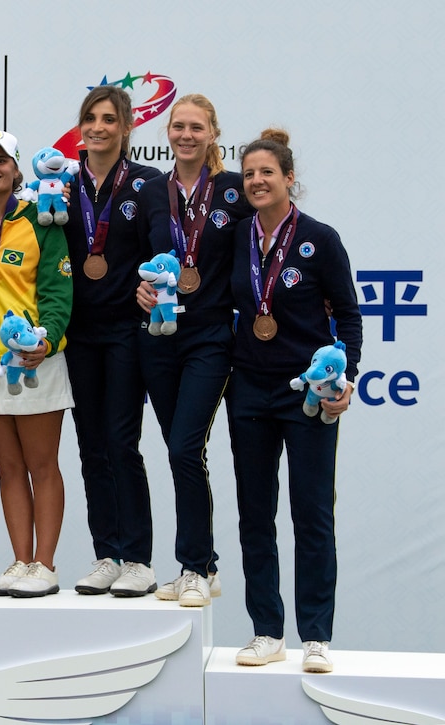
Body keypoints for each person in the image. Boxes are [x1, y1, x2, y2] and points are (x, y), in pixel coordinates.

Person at [228, 129, 361, 673]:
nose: (257, 181)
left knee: (311, 516)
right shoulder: (235, 238)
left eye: (267, 173)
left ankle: (316, 636)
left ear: (288, 179)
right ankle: (266, 630)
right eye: (250, 174)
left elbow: (348, 316)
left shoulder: (320, 239)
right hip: (249, 390)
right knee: (254, 516)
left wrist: (342, 379)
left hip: (307, 396)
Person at [135, 94, 252, 606]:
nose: (186, 135)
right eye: (178, 126)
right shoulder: (151, 192)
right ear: (167, 133)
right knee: (180, 452)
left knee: (185, 448)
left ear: (212, 134)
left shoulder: (232, 190)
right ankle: (202, 565)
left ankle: (195, 567)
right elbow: (133, 262)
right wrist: (137, 293)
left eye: (196, 128)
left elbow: (264, 250)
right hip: (159, 337)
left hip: (210, 337)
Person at [61, 86, 163, 598]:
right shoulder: (61, 184)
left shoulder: (147, 184)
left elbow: (162, 253)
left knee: (123, 443)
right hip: (78, 335)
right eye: (90, 119)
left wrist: (154, 284)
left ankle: (138, 557)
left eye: (108, 119)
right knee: (89, 446)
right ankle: (106, 553)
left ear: (126, 127)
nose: (97, 127)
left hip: (126, 332)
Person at [0, 130, 73, 598]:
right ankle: (20, 561)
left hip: (35, 359)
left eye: (0, 161)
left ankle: (45, 565)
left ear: (16, 169)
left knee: (41, 464)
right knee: (8, 467)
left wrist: (45, 340)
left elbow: (57, 287)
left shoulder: (40, 220)